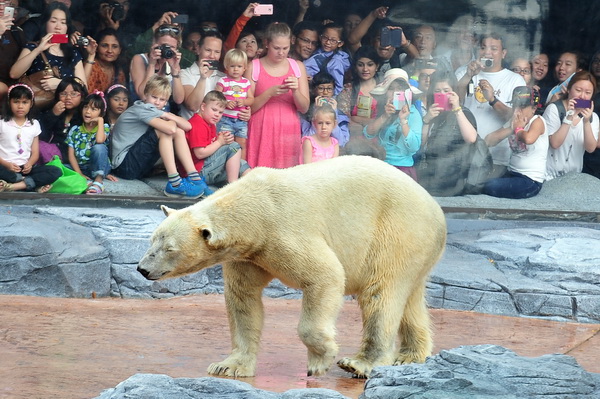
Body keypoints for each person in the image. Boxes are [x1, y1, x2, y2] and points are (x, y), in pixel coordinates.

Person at [110, 75, 210, 198]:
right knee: (165, 131)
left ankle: (195, 178)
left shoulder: (156, 110)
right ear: (145, 95)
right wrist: (170, 119)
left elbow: (188, 126)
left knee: (177, 131)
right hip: (124, 166)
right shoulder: (142, 109)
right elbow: (171, 128)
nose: (157, 102)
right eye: (154, 97)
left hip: (136, 166)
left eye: (162, 99)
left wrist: (168, 116)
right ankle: (175, 182)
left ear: (166, 101)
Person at [458, 32, 526, 178]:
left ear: (503, 53)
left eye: (494, 48)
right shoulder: (465, 71)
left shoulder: (515, 80)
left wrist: (493, 100)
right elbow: (454, 101)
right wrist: (468, 76)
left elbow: (516, 118)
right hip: (464, 153)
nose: (487, 52)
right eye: (483, 48)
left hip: (497, 156)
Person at [244, 22, 310, 168]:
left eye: (285, 48)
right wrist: (269, 93)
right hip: (261, 129)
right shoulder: (253, 66)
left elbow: (304, 108)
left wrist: (296, 91)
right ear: (267, 43)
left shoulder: (297, 66)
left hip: (288, 130)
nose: (281, 52)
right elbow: (248, 108)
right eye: (277, 48)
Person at [417, 70, 483, 196]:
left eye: (446, 91)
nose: (442, 94)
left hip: (454, 178)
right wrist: (426, 120)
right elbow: (421, 143)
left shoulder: (463, 113)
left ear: (454, 92)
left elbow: (471, 139)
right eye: (437, 91)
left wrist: (457, 109)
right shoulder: (432, 114)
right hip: (431, 175)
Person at [9, 2, 87, 107]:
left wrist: (60, 84)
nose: (58, 27)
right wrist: (39, 49)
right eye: (53, 21)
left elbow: (84, 88)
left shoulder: (73, 54)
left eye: (63, 23)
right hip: (36, 109)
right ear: (45, 23)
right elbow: (14, 74)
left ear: (67, 27)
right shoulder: (32, 47)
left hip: (65, 110)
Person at [483, 86, 547, 199]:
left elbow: (528, 139)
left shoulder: (537, 121)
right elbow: (489, 140)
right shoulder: (513, 122)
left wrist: (518, 129)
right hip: (511, 172)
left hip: (530, 180)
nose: (517, 110)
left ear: (534, 108)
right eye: (515, 105)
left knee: (490, 186)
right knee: (481, 181)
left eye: (522, 106)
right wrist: (511, 128)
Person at [0, 83, 61, 193]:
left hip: (25, 169)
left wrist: (29, 164)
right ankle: (26, 183)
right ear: (9, 103)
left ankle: (13, 186)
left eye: (25, 102)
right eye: (16, 102)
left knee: (55, 171)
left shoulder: (34, 124)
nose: (20, 106)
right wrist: (7, 165)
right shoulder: (2, 123)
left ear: (31, 103)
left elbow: (35, 153)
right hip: (5, 167)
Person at [364, 68, 423, 180]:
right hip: (382, 166)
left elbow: (414, 147)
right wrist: (385, 116)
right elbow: (368, 133)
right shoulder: (382, 109)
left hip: (403, 169)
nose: (396, 92)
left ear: (407, 92)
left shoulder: (413, 113)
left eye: (400, 88)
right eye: (391, 88)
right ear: (386, 92)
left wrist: (403, 121)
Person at [183, 90, 250, 188]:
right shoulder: (198, 124)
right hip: (197, 173)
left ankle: (253, 188)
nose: (217, 114)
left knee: (240, 163)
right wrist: (220, 142)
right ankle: (233, 188)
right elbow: (200, 154)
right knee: (233, 147)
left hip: (207, 167)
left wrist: (221, 140)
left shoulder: (210, 123)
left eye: (220, 112)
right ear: (203, 107)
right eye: (214, 110)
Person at [543, 70, 599, 180]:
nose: (582, 96)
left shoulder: (593, 117)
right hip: (547, 175)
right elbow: (554, 143)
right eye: (578, 90)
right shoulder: (554, 109)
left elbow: (590, 148)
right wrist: (569, 117)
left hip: (573, 178)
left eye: (588, 93)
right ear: (568, 89)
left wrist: (586, 122)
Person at [66, 90, 116, 194]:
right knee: (59, 167)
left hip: (96, 165)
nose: (88, 111)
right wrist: (79, 173)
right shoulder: (75, 130)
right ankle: (86, 179)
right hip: (80, 167)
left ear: (101, 113)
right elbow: (71, 155)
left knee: (99, 147)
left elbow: (99, 140)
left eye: (94, 109)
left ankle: (98, 180)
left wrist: (101, 121)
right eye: (86, 107)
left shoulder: (104, 127)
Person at [129, 24, 184, 107]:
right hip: (140, 112)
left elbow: (179, 99)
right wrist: (151, 64)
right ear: (154, 43)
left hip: (163, 114)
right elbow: (143, 96)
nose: (167, 50)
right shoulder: (139, 59)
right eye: (164, 46)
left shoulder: (173, 64)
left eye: (172, 47)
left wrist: (175, 71)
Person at [215, 49, 254, 160]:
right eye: (232, 66)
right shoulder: (223, 81)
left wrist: (244, 102)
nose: (236, 69)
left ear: (245, 68)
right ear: (226, 66)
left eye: (239, 66)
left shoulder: (246, 82)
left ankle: (241, 167)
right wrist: (226, 103)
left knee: (242, 143)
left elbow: (251, 99)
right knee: (227, 143)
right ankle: (225, 169)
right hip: (225, 119)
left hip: (241, 120)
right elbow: (216, 97)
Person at [38, 76, 87, 162]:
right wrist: (53, 114)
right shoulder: (53, 110)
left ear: (82, 97)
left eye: (73, 94)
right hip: (53, 151)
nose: (68, 97)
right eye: (63, 93)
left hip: (76, 157)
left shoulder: (85, 115)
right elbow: (42, 134)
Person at [180, 30, 225, 120]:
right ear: (198, 49)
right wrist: (202, 78)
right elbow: (192, 106)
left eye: (217, 52)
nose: (212, 56)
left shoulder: (223, 78)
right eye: (208, 50)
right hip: (191, 130)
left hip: (216, 132)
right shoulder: (185, 73)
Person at [301, 72, 349, 148]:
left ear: (334, 91)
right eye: (321, 88)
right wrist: (315, 113)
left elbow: (341, 142)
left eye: (329, 89)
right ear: (313, 90)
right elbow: (307, 139)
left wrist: (334, 114)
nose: (325, 92)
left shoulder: (340, 114)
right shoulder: (306, 113)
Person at [303, 22, 350, 96]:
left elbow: (338, 87)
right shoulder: (317, 51)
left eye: (333, 40)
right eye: (325, 38)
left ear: (340, 43)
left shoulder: (335, 62)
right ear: (320, 37)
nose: (327, 42)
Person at [84, 28, 127, 93]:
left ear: (120, 50)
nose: (109, 51)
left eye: (114, 46)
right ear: (97, 47)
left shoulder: (118, 71)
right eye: (104, 46)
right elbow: (83, 91)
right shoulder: (90, 67)